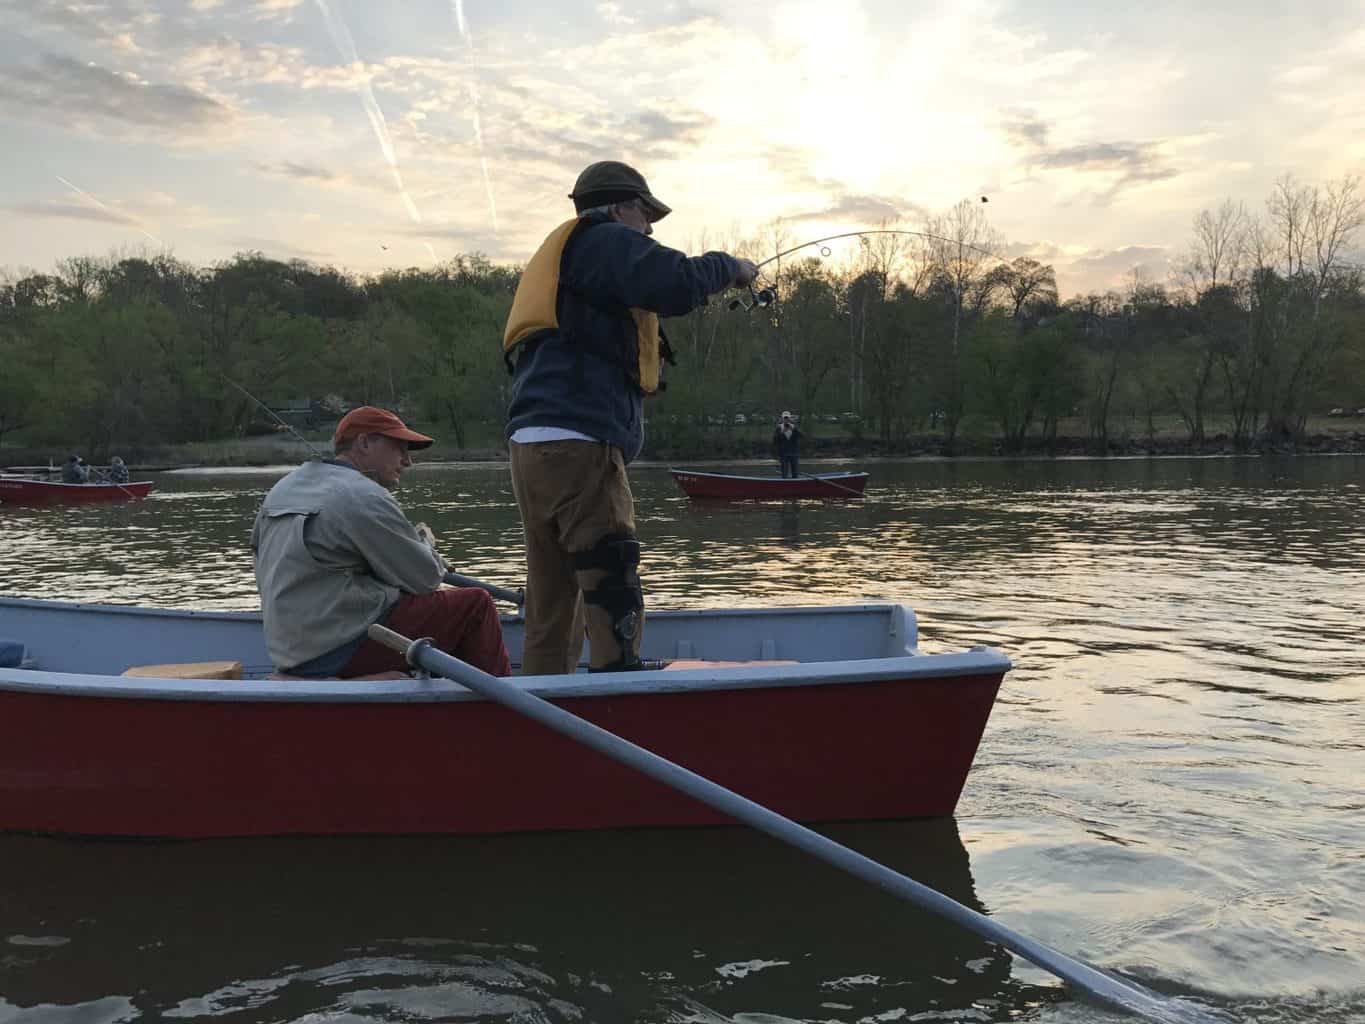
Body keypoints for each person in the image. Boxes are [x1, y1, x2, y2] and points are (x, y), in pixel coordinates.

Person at [502, 160, 759, 675]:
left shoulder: (571, 254)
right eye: (647, 217)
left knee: (554, 590)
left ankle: (542, 694)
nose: (649, 229)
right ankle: (619, 682)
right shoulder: (604, 240)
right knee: (609, 564)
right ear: (623, 207)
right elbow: (677, 282)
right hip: (580, 441)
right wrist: (730, 265)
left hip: (533, 444)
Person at [251, 405, 511, 679]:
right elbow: (425, 579)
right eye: (400, 448)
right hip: (340, 649)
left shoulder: (282, 488)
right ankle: (504, 710)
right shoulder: (363, 494)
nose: (407, 461)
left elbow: (261, 560)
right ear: (364, 443)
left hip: (291, 652)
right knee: (474, 606)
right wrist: (425, 548)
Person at [773, 411, 802, 478]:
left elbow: (801, 436)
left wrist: (794, 430)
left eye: (787, 418)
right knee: (784, 472)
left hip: (794, 453)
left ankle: (795, 483)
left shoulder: (794, 427)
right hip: (783, 453)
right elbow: (775, 440)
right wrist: (782, 433)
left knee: (795, 472)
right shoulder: (779, 428)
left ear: (790, 418)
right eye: (785, 418)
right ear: (782, 418)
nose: (786, 419)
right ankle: (785, 483)